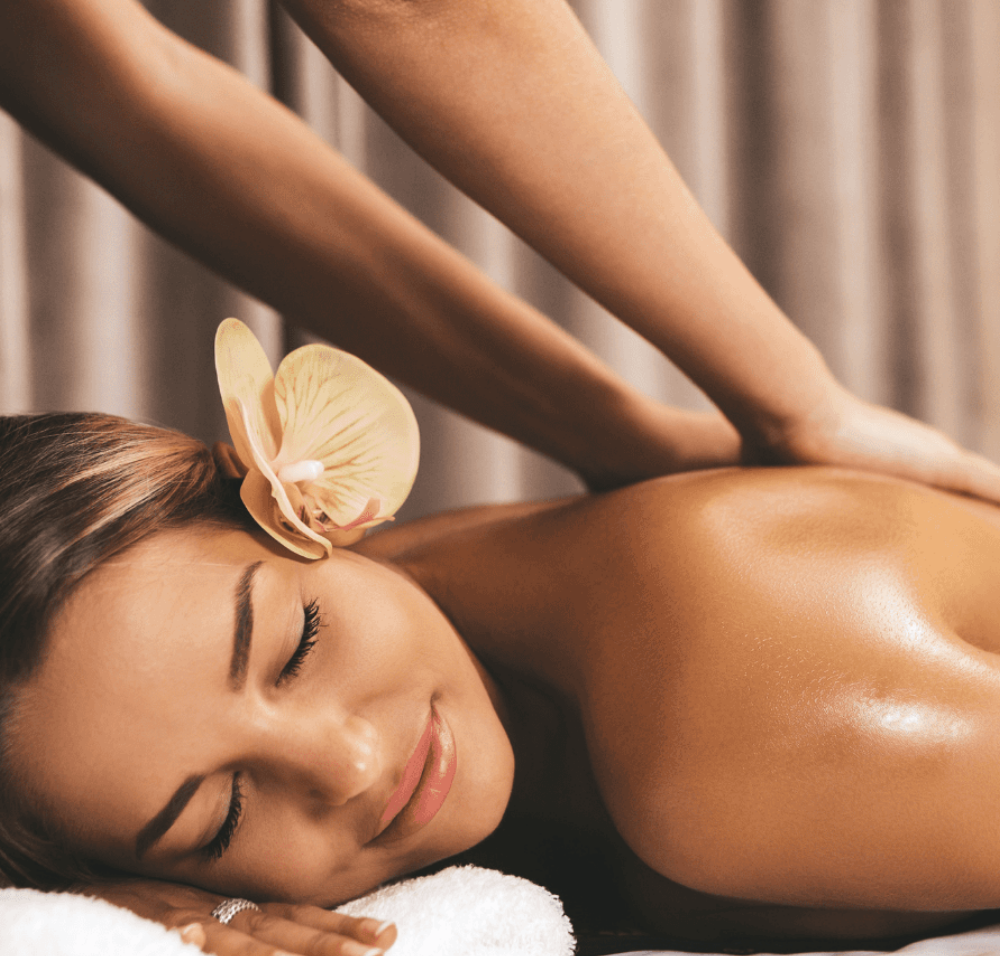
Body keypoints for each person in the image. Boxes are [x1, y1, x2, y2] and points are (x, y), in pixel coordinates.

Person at [2, 1, 1000, 953]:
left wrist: (790, 403)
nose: (349, 764)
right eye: (218, 819)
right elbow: (113, 79)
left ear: (315, 505)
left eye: (298, 644)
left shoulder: (710, 735)